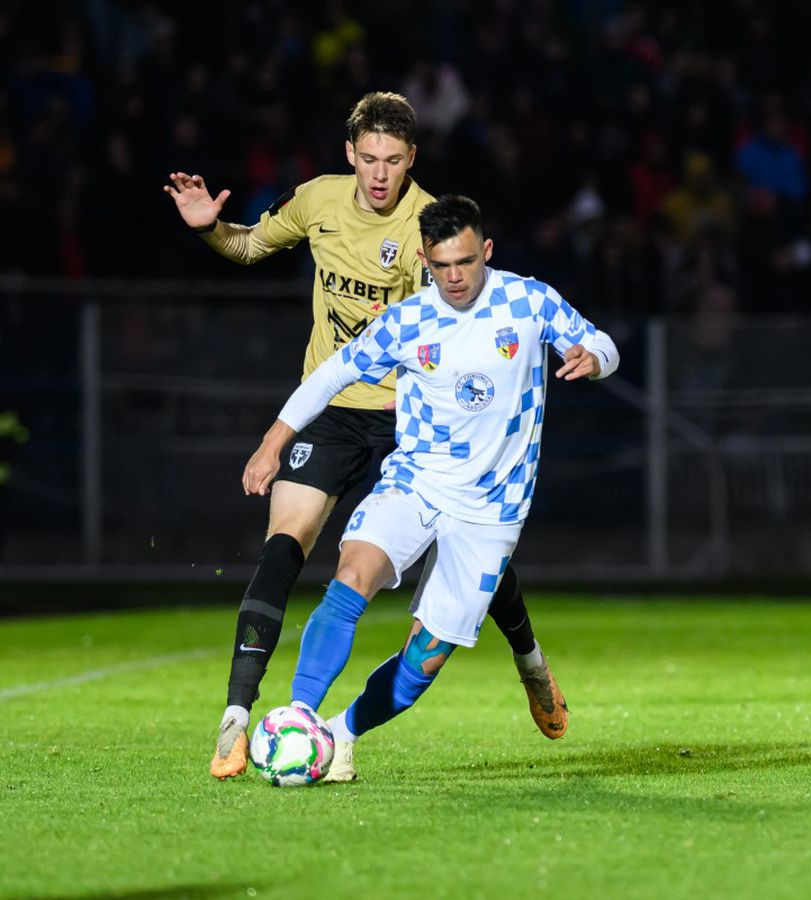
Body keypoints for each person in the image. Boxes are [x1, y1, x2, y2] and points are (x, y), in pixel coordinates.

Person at [163, 92, 567, 780]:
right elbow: (249, 245)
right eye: (369, 158)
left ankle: (531, 664)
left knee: (467, 546)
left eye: (394, 161)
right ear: (350, 153)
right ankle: (237, 720)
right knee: (285, 542)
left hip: (409, 420)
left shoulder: (428, 230)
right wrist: (210, 227)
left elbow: (448, 324)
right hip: (330, 406)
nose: (379, 174)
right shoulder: (319, 200)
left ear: (413, 160)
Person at [242, 194, 618, 781]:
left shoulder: (528, 300)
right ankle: (299, 715)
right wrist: (274, 440)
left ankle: (338, 735)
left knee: (427, 657)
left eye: (466, 262)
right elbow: (332, 375)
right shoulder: (407, 321)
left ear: (486, 251)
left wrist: (592, 358)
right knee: (352, 576)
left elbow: (604, 343)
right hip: (415, 484)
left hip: (492, 510)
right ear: (425, 260)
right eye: (442, 266)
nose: (455, 277)